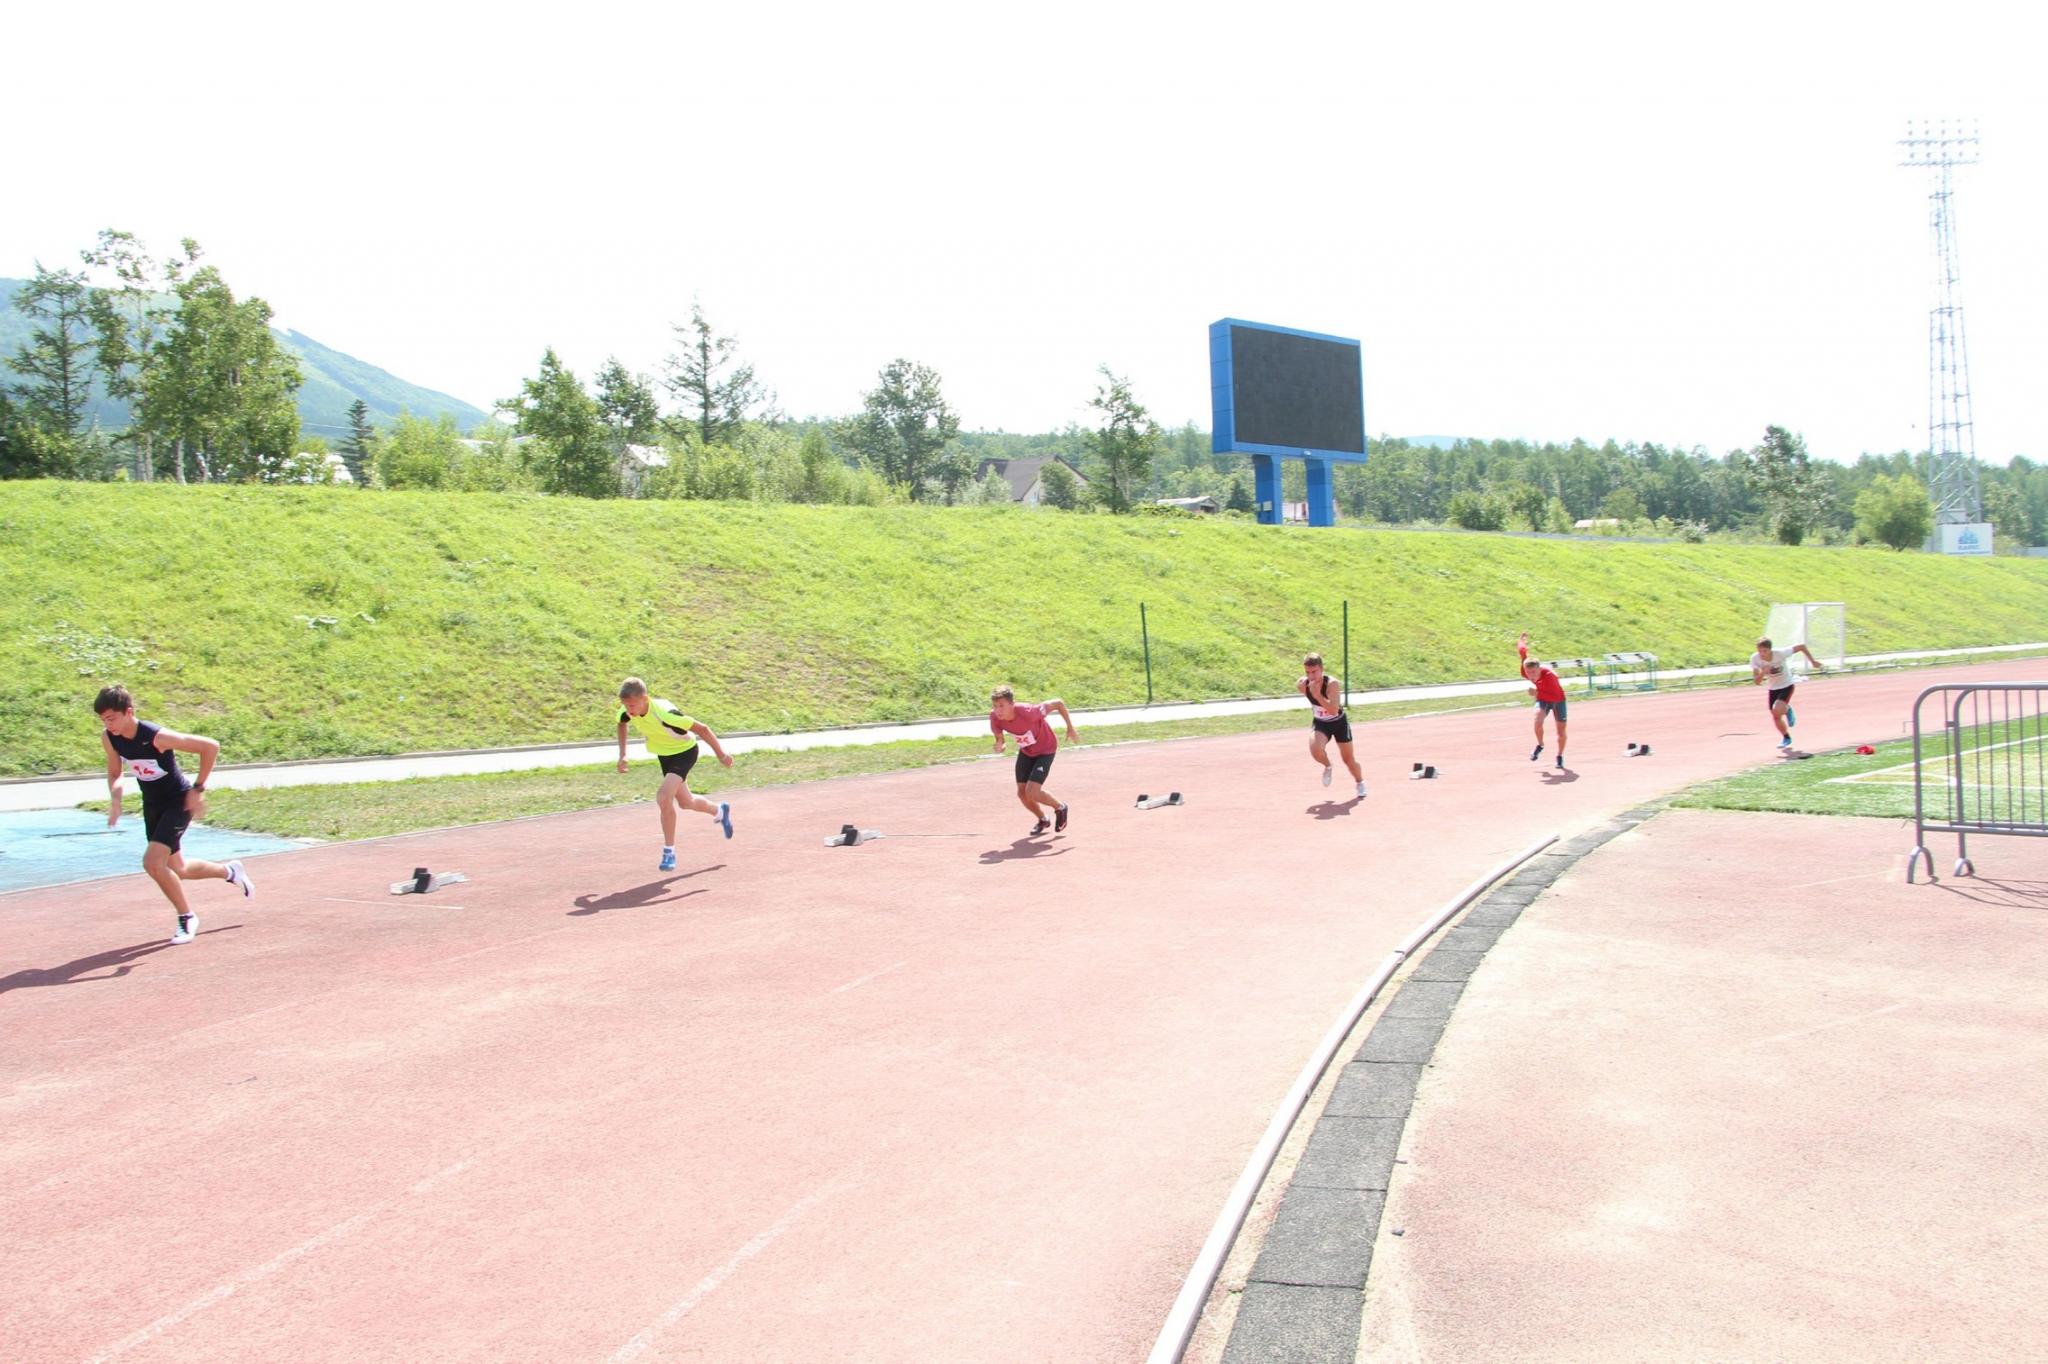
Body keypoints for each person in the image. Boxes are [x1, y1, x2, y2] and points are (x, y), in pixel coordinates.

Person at [95, 685, 254, 945]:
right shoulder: (109, 737)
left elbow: (210, 747)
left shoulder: (156, 736)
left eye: (111, 718)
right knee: (176, 868)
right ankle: (230, 871)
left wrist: (198, 789)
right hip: (153, 804)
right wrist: (115, 799)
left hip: (177, 801)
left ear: (129, 712)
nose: (107, 724)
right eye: (103, 720)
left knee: (152, 863)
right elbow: (115, 772)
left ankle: (186, 917)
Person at [615, 677, 734, 869]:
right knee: (686, 802)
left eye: (631, 705)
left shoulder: (665, 713)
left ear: (645, 698)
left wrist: (721, 754)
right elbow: (621, 723)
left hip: (685, 752)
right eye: (625, 705)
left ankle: (669, 853)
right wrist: (622, 755)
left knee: (663, 797)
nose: (628, 710)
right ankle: (720, 810)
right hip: (665, 756)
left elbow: (702, 729)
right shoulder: (628, 711)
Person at [989, 685, 1078, 835]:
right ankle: (1043, 819)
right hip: (1027, 751)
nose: (998, 710)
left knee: (1032, 791)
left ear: (1012, 704)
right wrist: (1000, 745)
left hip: (1046, 749)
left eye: (1002, 706)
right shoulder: (995, 717)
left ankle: (1060, 807)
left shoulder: (1029, 711)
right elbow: (1000, 740)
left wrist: (1070, 727)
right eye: (995, 706)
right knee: (1022, 794)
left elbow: (1058, 703)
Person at [1298, 652, 1365, 798]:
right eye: (1307, 672)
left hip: (1338, 723)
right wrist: (1314, 696)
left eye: (1314, 672)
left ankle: (1360, 782)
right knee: (1315, 750)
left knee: (1348, 759)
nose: (1311, 676)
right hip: (1321, 723)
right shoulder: (1302, 685)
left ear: (1322, 669)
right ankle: (1328, 765)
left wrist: (1318, 696)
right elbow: (1314, 703)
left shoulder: (1332, 684)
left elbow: (1333, 710)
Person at [1750, 637, 1824, 750]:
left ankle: (1787, 709)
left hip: (1786, 685)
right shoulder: (1755, 659)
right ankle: (1786, 737)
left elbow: (1801, 646)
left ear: (1770, 650)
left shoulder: (1780, 653)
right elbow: (1757, 681)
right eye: (1760, 651)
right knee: (1775, 716)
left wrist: (1812, 661)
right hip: (1772, 688)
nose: (1762, 654)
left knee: (1777, 707)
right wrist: (1763, 672)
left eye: (1765, 651)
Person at [1517, 632, 1569, 769]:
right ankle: (1540, 745)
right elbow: (1522, 653)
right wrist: (1522, 641)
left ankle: (1559, 756)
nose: (1531, 676)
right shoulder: (1526, 671)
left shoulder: (1550, 676)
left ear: (1539, 669)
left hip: (1558, 700)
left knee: (1561, 732)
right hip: (1543, 699)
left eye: (1534, 672)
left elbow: (1553, 694)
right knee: (1537, 720)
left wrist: (1536, 692)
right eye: (1528, 673)